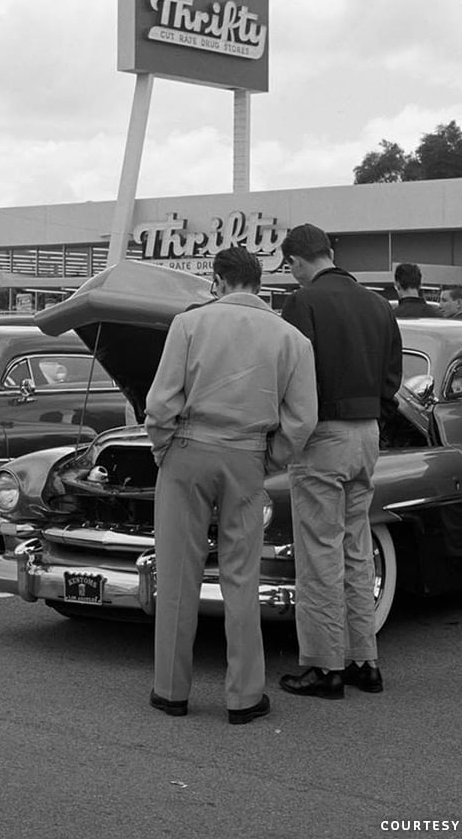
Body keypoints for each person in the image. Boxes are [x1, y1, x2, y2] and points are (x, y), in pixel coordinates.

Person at [144, 247, 317, 724]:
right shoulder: (293, 339)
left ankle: (171, 691)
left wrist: (165, 449)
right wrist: (267, 458)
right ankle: (244, 696)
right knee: (242, 577)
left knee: (178, 573)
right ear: (258, 283)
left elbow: (160, 405)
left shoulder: (189, 325)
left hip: (187, 452)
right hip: (246, 456)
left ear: (219, 281)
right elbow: (302, 422)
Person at [277, 224, 403, 699]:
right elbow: (394, 375)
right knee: (356, 547)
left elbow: (293, 374)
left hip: (321, 434)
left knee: (318, 553)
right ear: (329, 252)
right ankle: (363, 661)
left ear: (296, 262)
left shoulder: (303, 302)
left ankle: (325, 666)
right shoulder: (377, 304)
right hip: (367, 432)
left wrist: (289, 432)